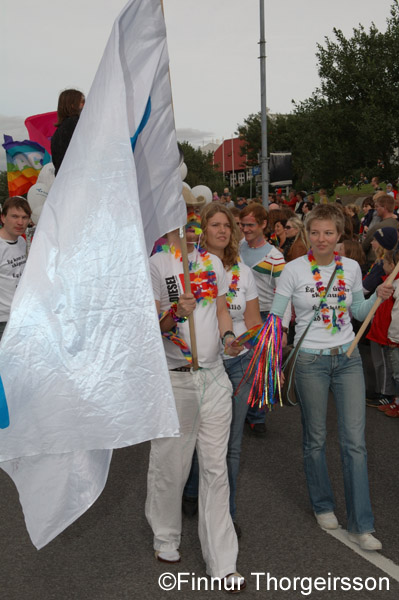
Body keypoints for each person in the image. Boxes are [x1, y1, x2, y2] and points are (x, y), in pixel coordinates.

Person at [270, 204, 392, 551]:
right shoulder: (292, 271)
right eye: (315, 232)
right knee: (316, 439)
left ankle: (361, 525)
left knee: (355, 444)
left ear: (340, 236)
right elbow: (279, 319)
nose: (321, 239)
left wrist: (376, 298)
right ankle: (323, 505)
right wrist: (272, 352)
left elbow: (357, 312)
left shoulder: (351, 267)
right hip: (310, 362)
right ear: (308, 234)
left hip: (348, 358)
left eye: (329, 233)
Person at [146, 188, 246, 591]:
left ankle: (222, 561)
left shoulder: (213, 262)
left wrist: (227, 339)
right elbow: (152, 326)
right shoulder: (156, 265)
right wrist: (175, 314)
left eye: (191, 218)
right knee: (171, 464)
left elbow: (222, 308)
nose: (187, 227)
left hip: (215, 377)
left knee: (215, 467)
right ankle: (165, 535)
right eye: (178, 219)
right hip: (175, 378)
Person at [183, 202, 262, 534]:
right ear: (202, 229)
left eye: (226, 225)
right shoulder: (188, 268)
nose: (221, 230)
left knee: (229, 444)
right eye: (213, 224)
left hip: (239, 364)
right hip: (200, 365)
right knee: (193, 437)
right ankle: (188, 491)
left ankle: (223, 516)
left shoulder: (244, 272)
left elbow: (254, 321)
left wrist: (259, 360)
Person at [239, 203, 290, 435]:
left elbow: (284, 294)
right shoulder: (238, 247)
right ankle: (239, 411)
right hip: (239, 313)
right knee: (240, 364)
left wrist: (283, 327)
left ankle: (257, 416)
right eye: (242, 224)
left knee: (261, 367)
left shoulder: (275, 257)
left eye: (250, 224)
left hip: (265, 315)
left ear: (263, 225)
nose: (246, 229)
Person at [0, 197, 31, 339]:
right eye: (14, 216)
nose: (20, 222)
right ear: (3, 217)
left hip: (20, 315)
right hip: (3, 321)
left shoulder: (21, 241)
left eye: (25, 217)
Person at [51, 89, 85, 175]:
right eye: (82, 102)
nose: (85, 105)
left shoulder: (59, 130)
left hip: (64, 180)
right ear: (72, 105)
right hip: (76, 177)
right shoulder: (74, 123)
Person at [362, 194, 399, 263]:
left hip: (376, 261)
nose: (375, 209)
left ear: (384, 208)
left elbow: (364, 246)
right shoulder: (396, 224)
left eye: (377, 206)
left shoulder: (378, 227)